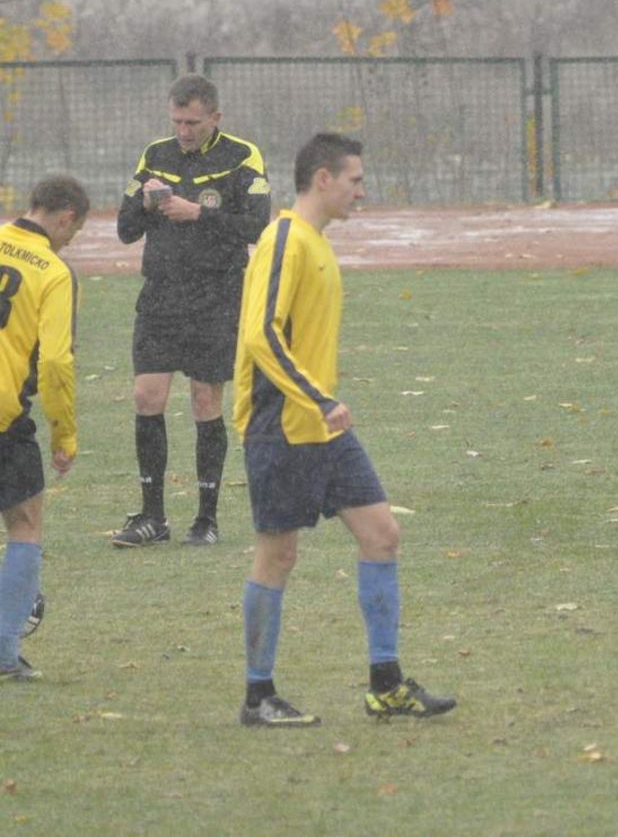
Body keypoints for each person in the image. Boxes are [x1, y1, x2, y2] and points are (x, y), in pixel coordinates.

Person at [233, 133, 454, 725]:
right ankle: (259, 696)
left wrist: (324, 405)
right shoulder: (284, 238)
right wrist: (316, 396)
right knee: (277, 554)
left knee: (381, 534)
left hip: (325, 428)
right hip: (282, 424)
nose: (362, 190)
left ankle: (386, 684)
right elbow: (261, 334)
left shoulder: (317, 243)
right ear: (323, 179)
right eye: (355, 179)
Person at [115, 74, 270, 548]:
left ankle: (206, 519)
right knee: (147, 397)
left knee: (205, 401)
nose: (183, 131)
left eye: (193, 122)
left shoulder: (243, 157)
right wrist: (145, 204)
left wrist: (198, 213)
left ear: (215, 118)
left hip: (216, 297)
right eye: (178, 121)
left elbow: (257, 226)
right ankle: (151, 517)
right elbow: (124, 230)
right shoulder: (154, 155)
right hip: (161, 296)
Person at [0, 177, 89, 682]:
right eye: (73, 231)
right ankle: (4, 652)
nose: (70, 240)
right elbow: (56, 361)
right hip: (3, 415)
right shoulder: (53, 271)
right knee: (25, 524)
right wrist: (65, 433)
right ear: (64, 216)